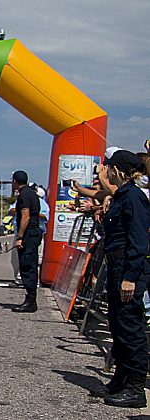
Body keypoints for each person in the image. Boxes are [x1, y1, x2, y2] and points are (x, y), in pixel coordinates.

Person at [99, 150, 149, 408]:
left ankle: (136, 387)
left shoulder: (134, 198)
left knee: (130, 327)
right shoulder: (119, 197)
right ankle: (121, 376)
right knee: (117, 324)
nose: (104, 170)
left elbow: (139, 240)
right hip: (115, 264)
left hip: (128, 268)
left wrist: (129, 277)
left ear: (117, 170)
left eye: (108, 167)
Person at [11, 170, 42, 313]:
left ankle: (31, 301)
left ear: (15, 181)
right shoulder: (33, 194)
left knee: (27, 265)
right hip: (35, 232)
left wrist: (19, 237)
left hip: (29, 234)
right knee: (31, 264)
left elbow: (25, 217)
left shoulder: (23, 195)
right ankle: (30, 299)